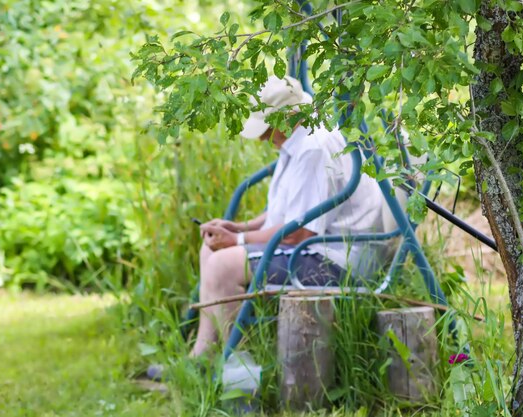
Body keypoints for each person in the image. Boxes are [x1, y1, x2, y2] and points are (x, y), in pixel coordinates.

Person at [147, 75, 385, 379]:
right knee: (212, 251)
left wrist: (238, 239)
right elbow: (289, 211)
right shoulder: (297, 139)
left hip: (338, 260)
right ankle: (203, 357)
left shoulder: (312, 149)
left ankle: (238, 368)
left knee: (222, 266)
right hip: (317, 246)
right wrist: (237, 228)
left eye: (266, 128)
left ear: (287, 117)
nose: (262, 138)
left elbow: (299, 232)